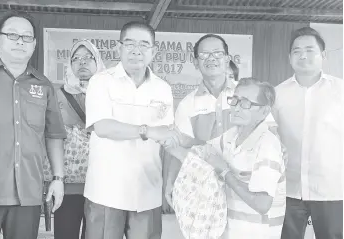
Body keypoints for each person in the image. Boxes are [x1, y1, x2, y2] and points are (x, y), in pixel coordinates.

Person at [84, 21, 179, 239]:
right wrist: (148, 131)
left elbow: (166, 136)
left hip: (148, 191)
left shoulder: (163, 88)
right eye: (130, 43)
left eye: (144, 44)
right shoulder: (101, 82)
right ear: (119, 48)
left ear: (153, 51)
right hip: (106, 191)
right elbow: (103, 127)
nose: (137, 50)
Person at [165, 34, 277, 208]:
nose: (211, 59)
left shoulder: (248, 93)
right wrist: (170, 181)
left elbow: (270, 132)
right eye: (204, 55)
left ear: (227, 59)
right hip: (206, 190)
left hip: (246, 187)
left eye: (217, 53)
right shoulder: (187, 105)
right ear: (195, 62)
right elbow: (180, 148)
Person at [166, 78, 286, 239]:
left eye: (245, 103)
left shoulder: (267, 145)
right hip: (231, 232)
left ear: (264, 112)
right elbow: (203, 155)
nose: (236, 108)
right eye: (234, 101)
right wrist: (170, 143)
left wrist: (224, 172)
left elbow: (262, 204)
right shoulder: (231, 136)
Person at [0, 11, 66, 239]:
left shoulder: (44, 85)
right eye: (12, 35)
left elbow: (54, 135)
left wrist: (58, 179)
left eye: (26, 37)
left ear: (34, 44)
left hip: (27, 193)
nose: (20, 41)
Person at [274, 27, 343, 239]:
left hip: (330, 187)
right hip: (288, 188)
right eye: (296, 51)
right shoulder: (277, 94)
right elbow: (269, 134)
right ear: (289, 58)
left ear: (323, 55)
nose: (303, 55)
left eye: (309, 50)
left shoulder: (340, 91)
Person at [53, 39, 105, 239]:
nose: (82, 62)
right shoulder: (57, 94)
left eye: (88, 57)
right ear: (70, 64)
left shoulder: (111, 93)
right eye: (76, 58)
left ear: (97, 61)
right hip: (69, 185)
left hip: (103, 184)